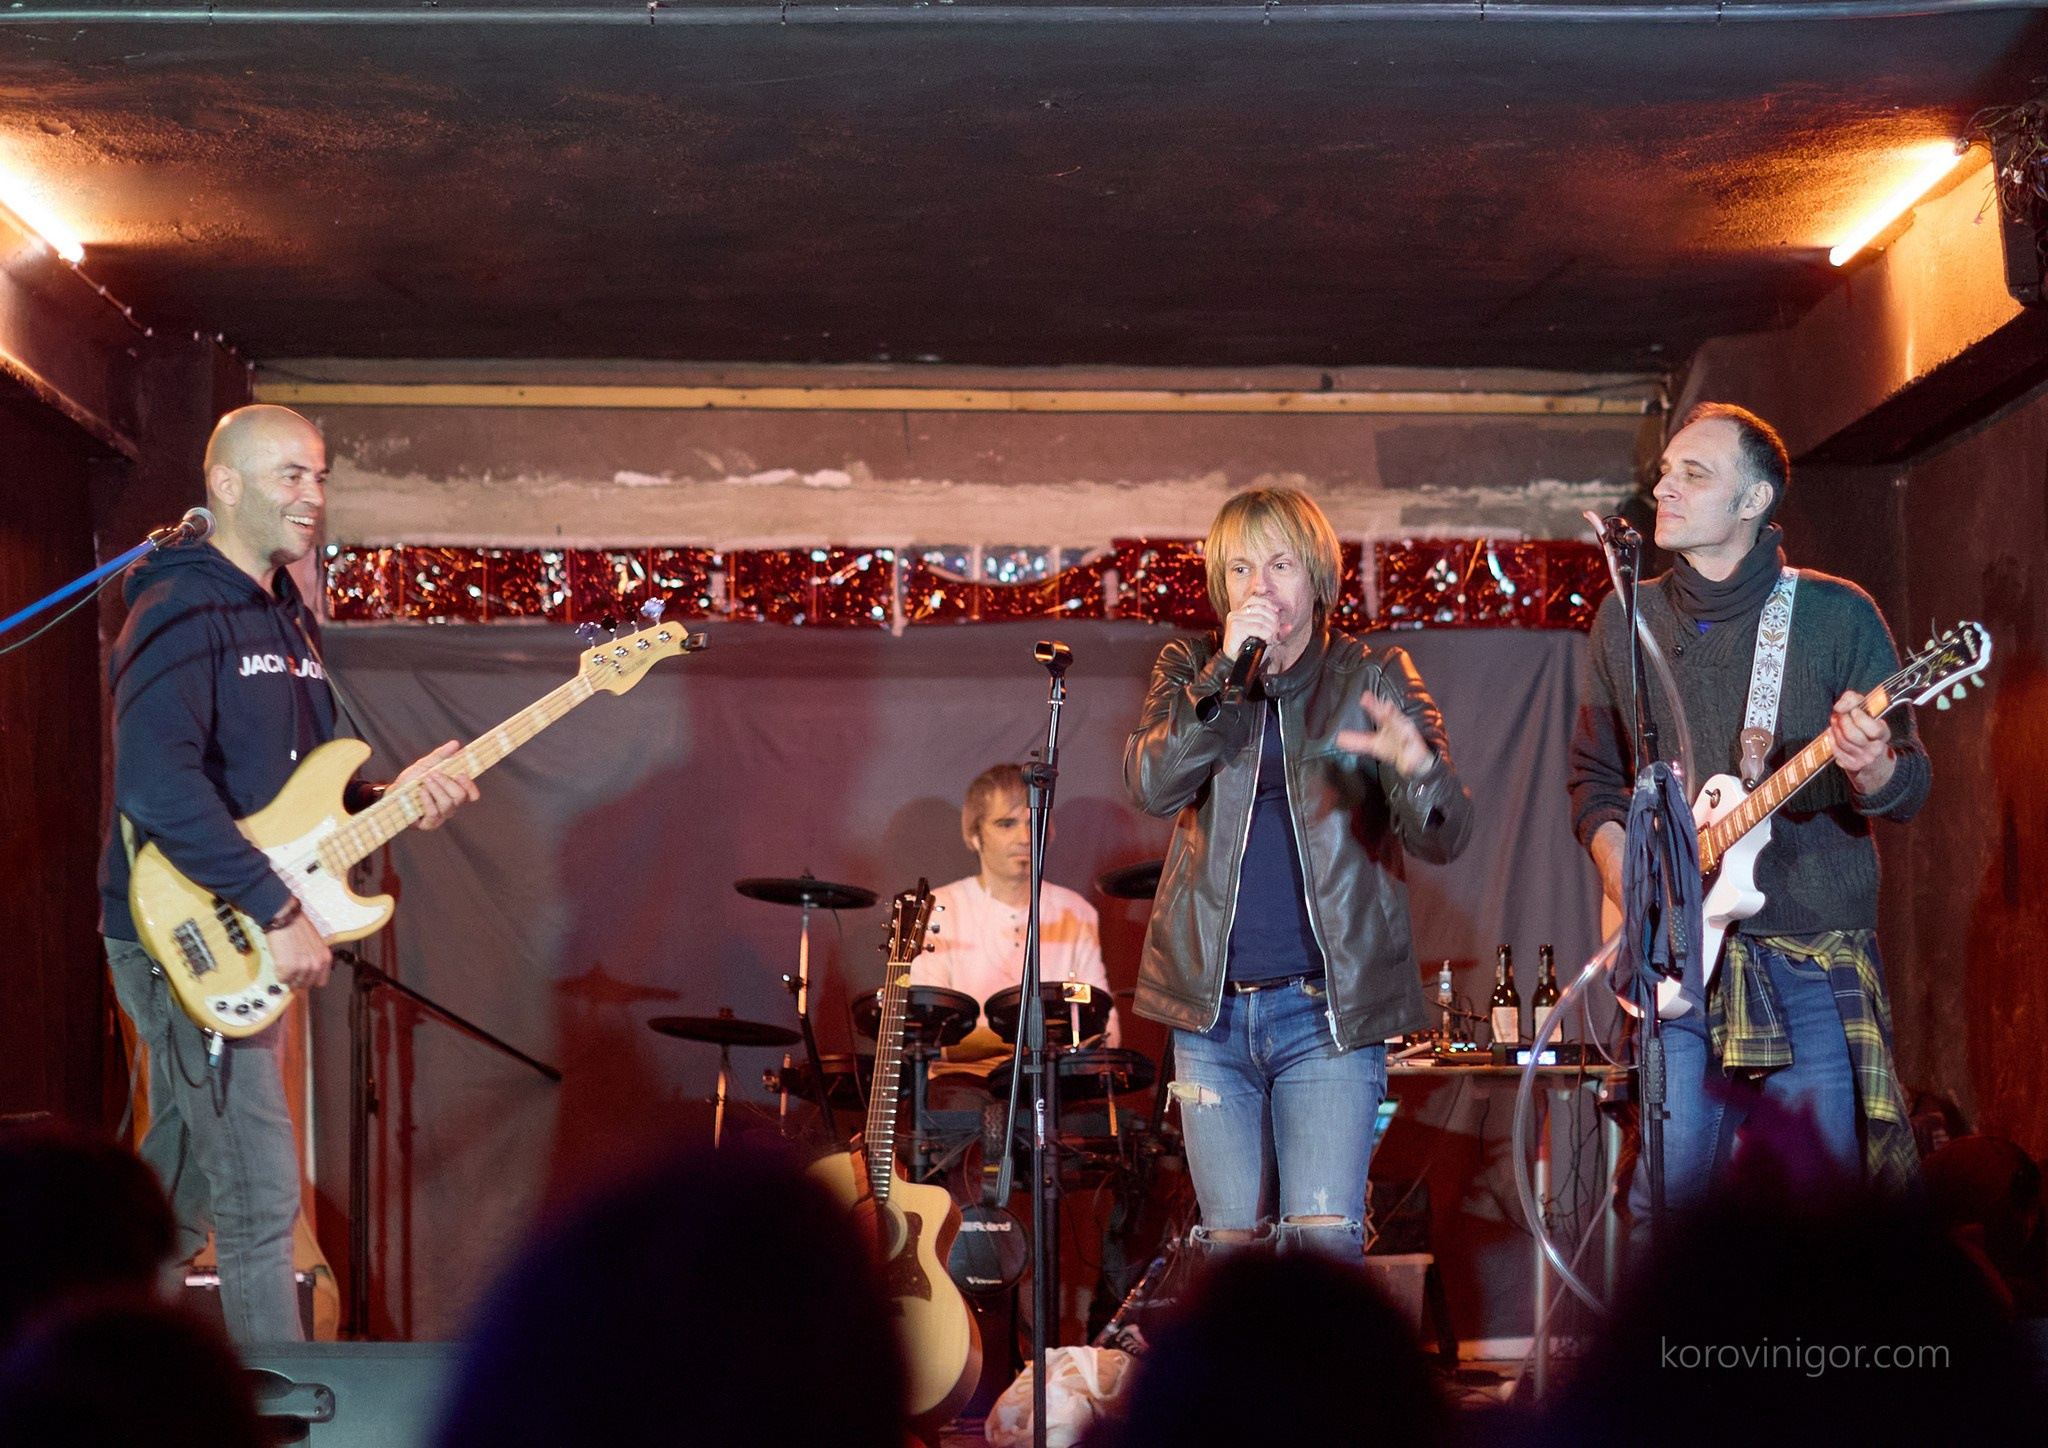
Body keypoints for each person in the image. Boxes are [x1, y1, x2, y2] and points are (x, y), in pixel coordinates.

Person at [98, 404, 477, 1341]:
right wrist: (272, 908)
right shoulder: (178, 606)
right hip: (181, 932)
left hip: (236, 930)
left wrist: (396, 795)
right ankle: (288, 1420)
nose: (312, 496)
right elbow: (156, 783)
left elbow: (302, 802)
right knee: (262, 1209)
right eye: (289, 477)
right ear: (224, 485)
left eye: (319, 476)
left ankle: (116, 1385)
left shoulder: (286, 619)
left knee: (175, 1208)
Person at [1569, 402, 1930, 1229]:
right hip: (1680, 967)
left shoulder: (1837, 615)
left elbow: (1908, 788)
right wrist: (1638, 883)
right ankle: (1676, 1360)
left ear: (1754, 501)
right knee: (1670, 1207)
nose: (1665, 485)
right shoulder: (1626, 619)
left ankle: (1806, 1363)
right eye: (1665, 471)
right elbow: (1592, 782)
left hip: (1809, 956)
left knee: (1817, 1212)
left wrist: (1870, 763)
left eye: (1694, 473)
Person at [1123, 488, 1473, 1260]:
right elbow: (1153, 786)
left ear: (1316, 576)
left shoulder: (1371, 674)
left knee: (1322, 1248)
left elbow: (1445, 834)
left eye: (1280, 564)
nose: (1261, 585)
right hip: (1211, 1018)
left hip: (1327, 1013)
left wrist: (1416, 768)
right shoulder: (1191, 671)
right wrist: (1223, 674)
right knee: (1229, 1252)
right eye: (1242, 567)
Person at [912, 762, 1121, 1047]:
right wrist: (1025, 1045)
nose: (1025, 838)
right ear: (974, 835)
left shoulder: (1075, 911)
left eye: (1033, 823)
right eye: (1006, 824)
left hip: (1052, 1080)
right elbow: (931, 1031)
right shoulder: (940, 909)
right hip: (966, 1080)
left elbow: (1102, 1021)